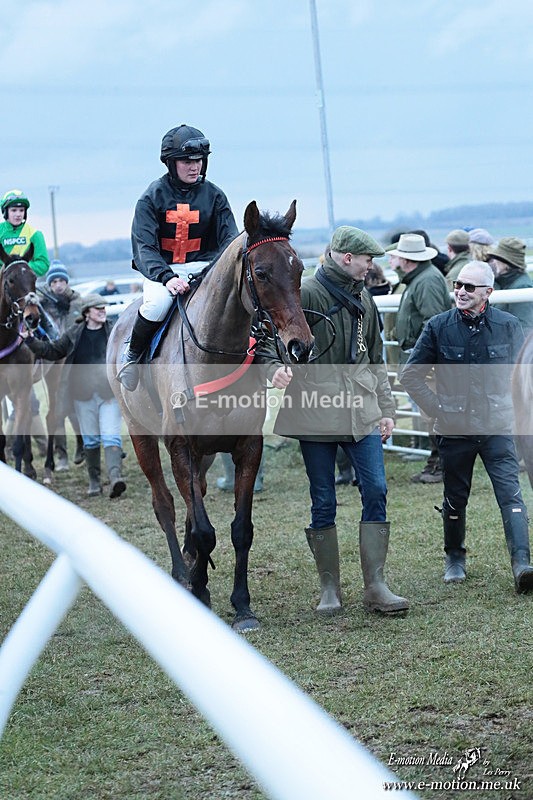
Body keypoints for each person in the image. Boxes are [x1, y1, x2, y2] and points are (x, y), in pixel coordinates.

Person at [260, 226, 409, 616]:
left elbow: (375, 358)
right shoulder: (305, 292)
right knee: (323, 500)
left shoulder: (365, 297)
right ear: (347, 258)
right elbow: (265, 341)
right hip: (315, 410)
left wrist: (388, 409)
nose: (371, 266)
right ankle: (330, 589)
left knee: (376, 489)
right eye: (367, 259)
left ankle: (376, 586)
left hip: (362, 411)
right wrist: (274, 369)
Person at [400, 260, 533, 593]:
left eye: (469, 287)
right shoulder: (438, 326)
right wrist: (437, 410)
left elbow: (522, 376)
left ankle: (522, 564)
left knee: (511, 494)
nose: (460, 291)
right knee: (455, 497)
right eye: (457, 285)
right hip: (455, 430)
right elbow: (410, 375)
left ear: (488, 292)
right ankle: (454, 558)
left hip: (499, 427)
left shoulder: (509, 325)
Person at [118, 124, 239, 391]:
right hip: (163, 270)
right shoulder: (151, 198)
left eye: (198, 160)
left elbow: (230, 240)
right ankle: (132, 357)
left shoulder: (215, 196)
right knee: (156, 305)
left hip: (204, 269)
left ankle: (263, 360)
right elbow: (144, 247)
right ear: (171, 163)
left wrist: (214, 271)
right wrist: (167, 278)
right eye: (187, 161)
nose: (194, 166)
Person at [22, 294, 126, 498]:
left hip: (108, 395)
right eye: (98, 308)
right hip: (82, 396)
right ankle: (95, 482)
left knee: (111, 435)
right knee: (90, 440)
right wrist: (31, 341)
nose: (102, 311)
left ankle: (116, 478)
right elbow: (52, 351)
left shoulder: (114, 330)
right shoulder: (74, 333)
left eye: (103, 308)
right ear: (87, 312)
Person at [390, 233, 452, 483]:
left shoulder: (424, 282)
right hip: (425, 359)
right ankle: (438, 462)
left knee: (434, 414)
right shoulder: (421, 279)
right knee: (432, 414)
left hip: (428, 362)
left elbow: (434, 323)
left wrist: (425, 361)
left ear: (407, 260)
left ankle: (440, 464)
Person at [38, 260, 85, 470]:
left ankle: (83, 445)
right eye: (54, 281)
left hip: (76, 361)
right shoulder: (42, 303)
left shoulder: (78, 301)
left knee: (77, 408)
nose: (58, 285)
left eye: (61, 280)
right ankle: (61, 454)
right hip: (55, 363)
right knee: (57, 409)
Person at [487, 237, 533, 334]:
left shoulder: (522, 287)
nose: (493, 261)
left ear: (506, 263)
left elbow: (524, 328)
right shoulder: (504, 282)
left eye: (496, 258)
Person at [0, 189, 50, 277]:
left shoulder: (35, 234)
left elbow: (43, 264)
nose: (18, 214)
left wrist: (21, 267)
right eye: (14, 210)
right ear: (5, 212)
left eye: (21, 210)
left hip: (25, 284)